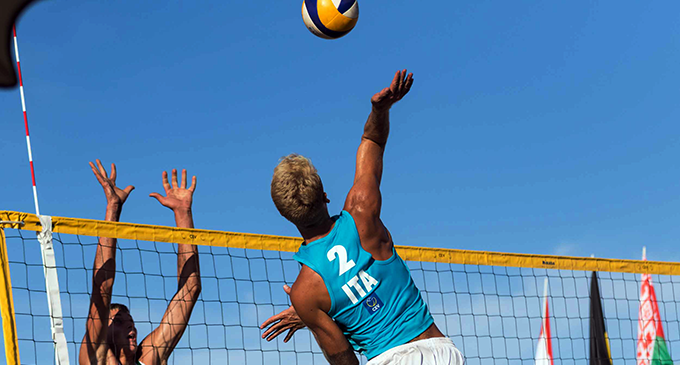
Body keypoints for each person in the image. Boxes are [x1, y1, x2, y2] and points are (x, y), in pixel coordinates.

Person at [262, 70, 464, 365]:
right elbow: (373, 140)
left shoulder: (306, 292)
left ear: (286, 216)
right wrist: (379, 109)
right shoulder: (362, 211)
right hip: (441, 352)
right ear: (325, 195)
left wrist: (312, 312)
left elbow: (344, 361)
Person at [78, 160, 202, 365]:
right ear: (105, 332)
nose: (131, 327)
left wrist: (183, 214)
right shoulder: (97, 358)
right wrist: (113, 208)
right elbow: (102, 289)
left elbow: (191, 289)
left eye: (131, 322)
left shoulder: (147, 359)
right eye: (119, 321)